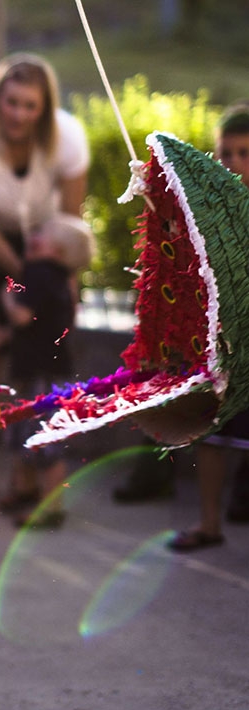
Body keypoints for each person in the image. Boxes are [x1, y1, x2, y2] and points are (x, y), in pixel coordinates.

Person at [0, 53, 89, 503]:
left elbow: (71, 216)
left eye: (31, 105)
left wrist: (57, 274)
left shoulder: (69, 138)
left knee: (37, 358)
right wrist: (24, 274)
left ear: (45, 108)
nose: (20, 114)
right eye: (11, 103)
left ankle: (26, 477)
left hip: (46, 244)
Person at [170, 102, 249, 550]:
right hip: (223, 346)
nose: (234, 162)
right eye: (226, 153)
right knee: (212, 436)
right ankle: (208, 524)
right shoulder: (206, 209)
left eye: (244, 152)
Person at [0, 213, 95, 527]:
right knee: (33, 435)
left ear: (58, 251)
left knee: (40, 439)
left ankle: (49, 506)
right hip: (52, 370)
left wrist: (8, 300)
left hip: (39, 373)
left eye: (44, 234)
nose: (34, 236)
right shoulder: (62, 279)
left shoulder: (39, 273)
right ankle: (27, 490)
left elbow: (24, 317)